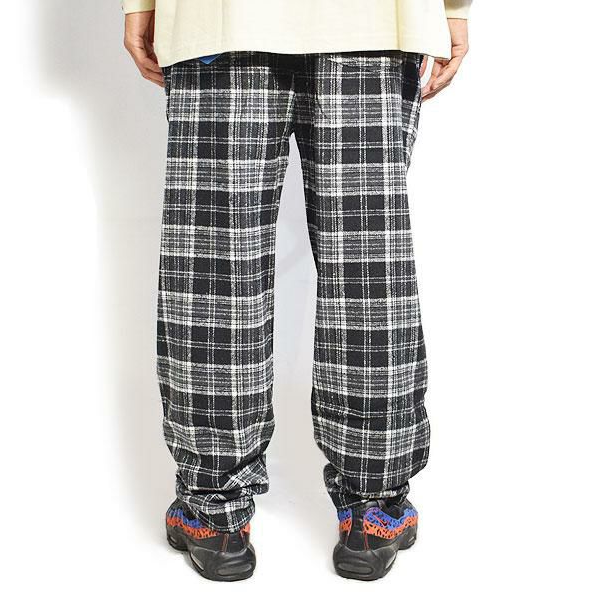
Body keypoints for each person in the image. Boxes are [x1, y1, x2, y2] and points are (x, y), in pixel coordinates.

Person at [122, 0, 471, 582]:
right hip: (374, 25)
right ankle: (374, 508)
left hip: (221, 24)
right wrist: (454, 8)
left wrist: (141, 3)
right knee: (369, 273)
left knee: (215, 273)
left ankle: (213, 512)